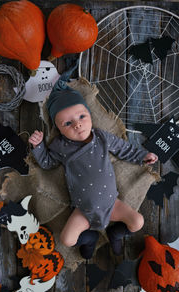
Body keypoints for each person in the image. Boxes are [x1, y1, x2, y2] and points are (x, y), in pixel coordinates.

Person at [29, 70, 158, 259]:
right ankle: (89, 238)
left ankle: (116, 234)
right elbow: (47, 163)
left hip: (112, 204)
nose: (77, 125)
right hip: (83, 210)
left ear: (89, 115)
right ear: (59, 129)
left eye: (81, 117)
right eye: (67, 123)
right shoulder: (61, 146)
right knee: (67, 239)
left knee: (138, 222)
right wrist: (38, 146)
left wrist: (143, 156)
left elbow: (124, 149)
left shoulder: (101, 137)